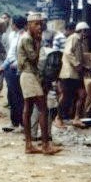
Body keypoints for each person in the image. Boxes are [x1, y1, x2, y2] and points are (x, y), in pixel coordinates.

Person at [19, 13, 60, 155]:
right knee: (42, 108)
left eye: (40, 24)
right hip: (29, 75)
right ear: (29, 24)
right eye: (36, 24)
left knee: (28, 108)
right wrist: (38, 42)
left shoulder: (27, 37)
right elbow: (34, 58)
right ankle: (45, 145)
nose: (39, 27)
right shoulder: (27, 39)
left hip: (28, 75)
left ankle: (29, 145)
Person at [57, 22, 89, 128]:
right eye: (86, 31)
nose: (86, 34)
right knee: (66, 96)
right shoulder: (74, 38)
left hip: (76, 73)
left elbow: (78, 56)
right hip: (69, 73)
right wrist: (77, 64)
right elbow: (68, 52)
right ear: (82, 31)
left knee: (82, 94)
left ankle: (76, 118)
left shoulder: (80, 41)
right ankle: (58, 118)